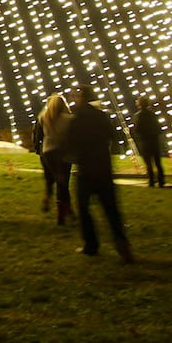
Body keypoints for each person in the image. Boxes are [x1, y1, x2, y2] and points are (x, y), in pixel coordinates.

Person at [65, 85, 133, 262]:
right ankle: (122, 244)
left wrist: (74, 158)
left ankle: (91, 244)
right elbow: (113, 137)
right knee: (111, 209)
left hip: (86, 169)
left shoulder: (76, 118)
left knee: (83, 207)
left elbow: (71, 143)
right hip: (103, 167)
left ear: (81, 98)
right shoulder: (102, 116)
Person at [38, 93, 75, 226]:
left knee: (59, 181)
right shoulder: (68, 119)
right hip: (63, 151)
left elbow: (39, 134)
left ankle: (65, 211)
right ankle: (65, 211)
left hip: (48, 152)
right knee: (64, 182)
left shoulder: (44, 117)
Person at [132, 96, 166, 188]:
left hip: (145, 141)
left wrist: (139, 136)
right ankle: (161, 180)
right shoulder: (152, 114)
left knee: (148, 163)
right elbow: (159, 127)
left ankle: (151, 180)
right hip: (154, 140)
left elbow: (137, 129)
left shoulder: (138, 115)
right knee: (158, 162)